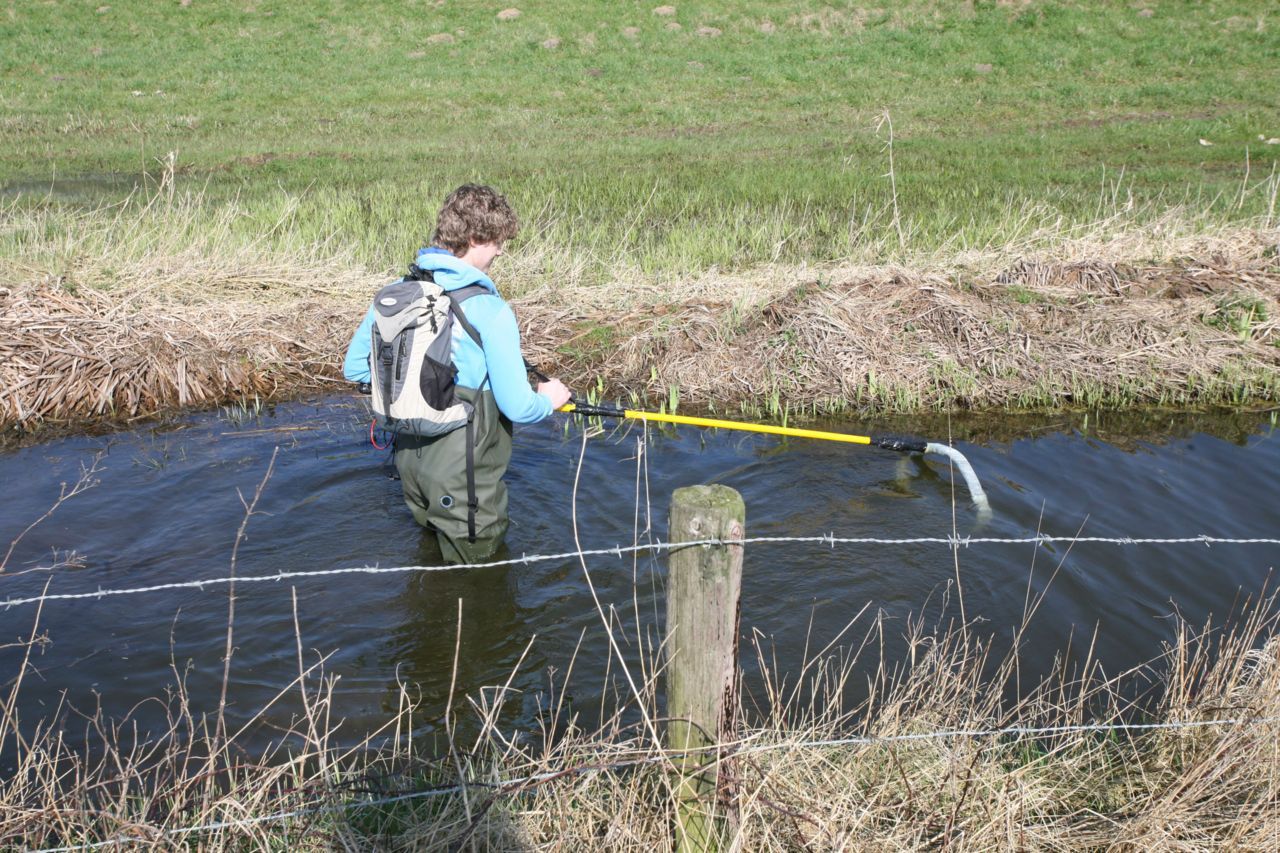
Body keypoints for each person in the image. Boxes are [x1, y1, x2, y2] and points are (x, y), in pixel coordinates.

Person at [343, 184, 571, 562]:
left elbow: (354, 369)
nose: (501, 250)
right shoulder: (492, 311)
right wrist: (548, 401)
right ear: (475, 238)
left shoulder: (399, 291)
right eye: (497, 241)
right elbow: (517, 407)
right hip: (464, 475)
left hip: (410, 465)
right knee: (479, 583)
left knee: (431, 573)